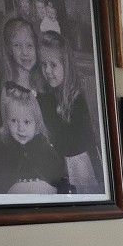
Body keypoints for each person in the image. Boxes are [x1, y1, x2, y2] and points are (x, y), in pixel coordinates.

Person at [38, 31, 101, 193]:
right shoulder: (49, 96)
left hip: (79, 163)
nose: (47, 70)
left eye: (53, 65)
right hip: (63, 162)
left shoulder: (77, 98)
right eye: (44, 65)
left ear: (65, 65)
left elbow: (76, 140)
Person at [0, 83, 66, 193]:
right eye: (14, 121)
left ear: (37, 123)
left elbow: (58, 173)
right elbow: (0, 179)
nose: (20, 128)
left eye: (26, 122)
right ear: (6, 122)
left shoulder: (43, 146)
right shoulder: (7, 149)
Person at [1, 16, 40, 91]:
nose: (25, 52)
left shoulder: (43, 86)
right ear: (9, 49)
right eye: (17, 45)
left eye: (29, 45)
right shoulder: (9, 89)